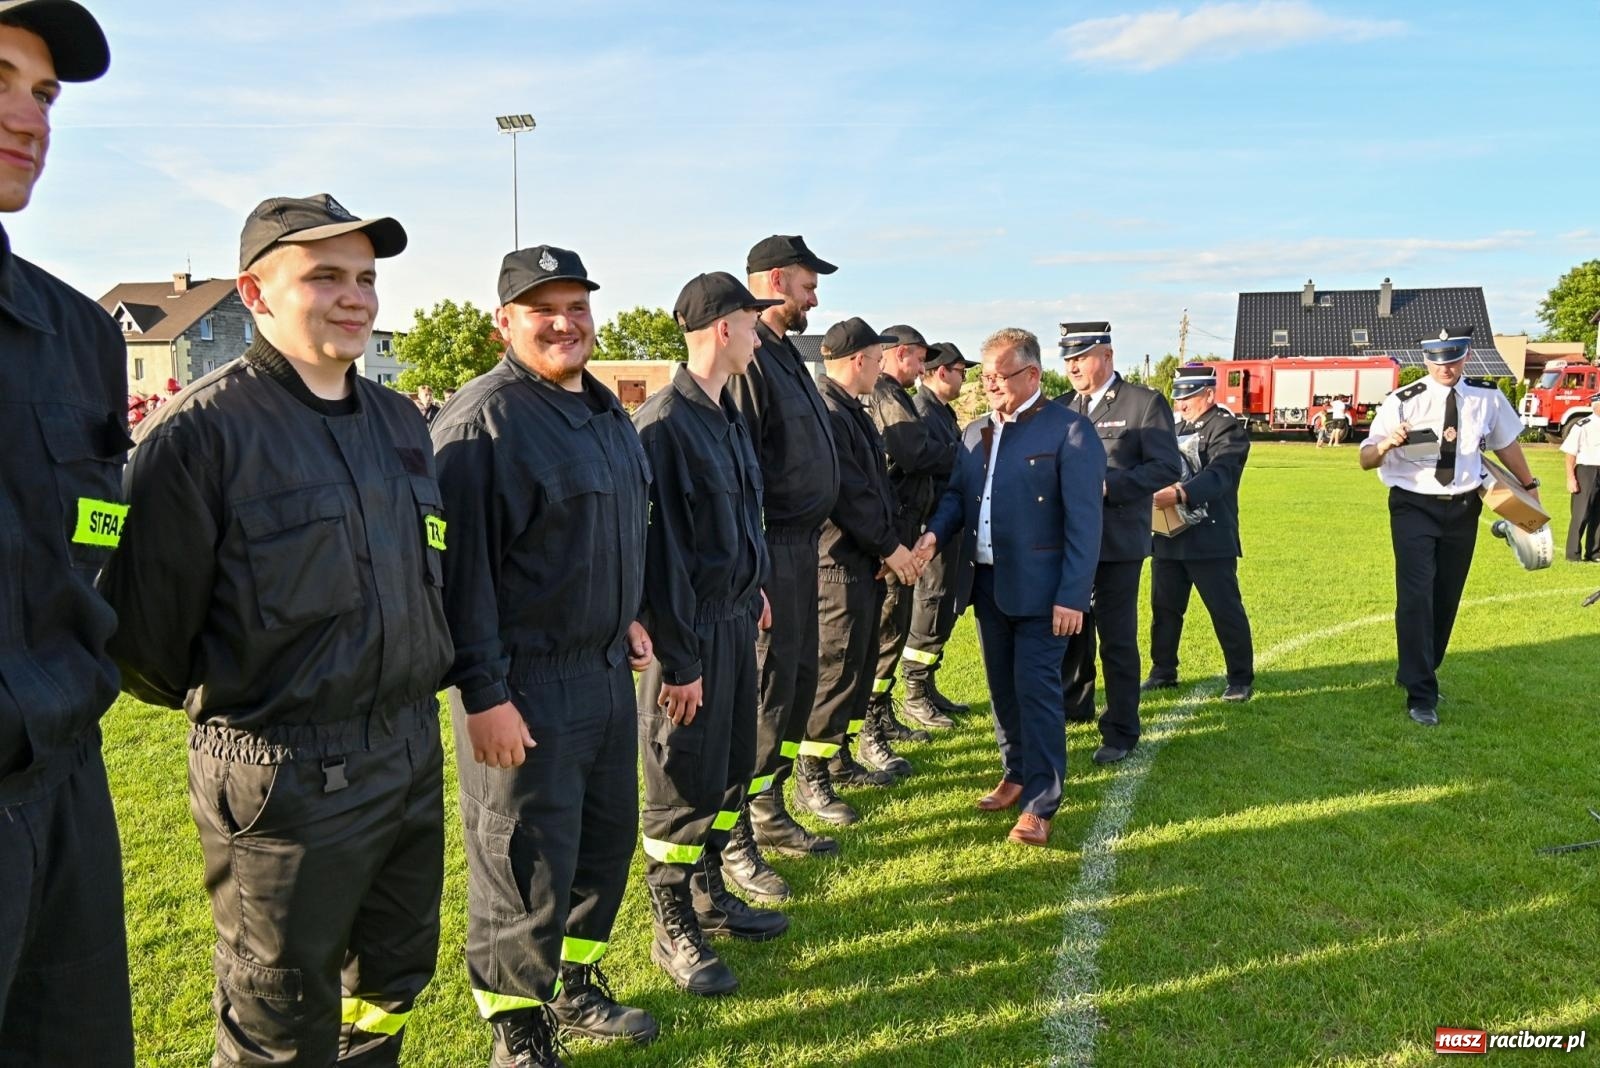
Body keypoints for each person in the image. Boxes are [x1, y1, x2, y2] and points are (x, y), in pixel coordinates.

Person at [102, 194, 453, 1066]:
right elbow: (144, 646)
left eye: (366, 278)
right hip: (283, 777)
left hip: (406, 752)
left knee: (392, 983)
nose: (355, 297)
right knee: (279, 1023)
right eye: (325, 276)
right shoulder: (203, 436)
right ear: (254, 295)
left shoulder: (402, 423)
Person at [432, 246, 656, 1066]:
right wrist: (483, 692)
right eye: (542, 309)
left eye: (577, 306)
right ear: (504, 322)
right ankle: (517, 1031)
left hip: (601, 672)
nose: (565, 323)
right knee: (522, 862)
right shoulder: (480, 422)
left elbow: (613, 530)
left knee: (601, 845)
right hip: (523, 685)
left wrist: (629, 614)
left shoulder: (603, 409)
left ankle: (577, 985)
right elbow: (459, 578)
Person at [0, 6, 132, 1064]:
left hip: (65, 790)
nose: (29, 115)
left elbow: (98, 533)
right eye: (0, 78)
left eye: (44, 94)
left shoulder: (80, 333)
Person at [632, 272, 787, 997]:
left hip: (730, 620)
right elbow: (659, 556)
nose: (758, 336)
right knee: (680, 778)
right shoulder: (665, 422)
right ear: (723, 329)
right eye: (752, 324)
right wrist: (680, 658)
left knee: (728, 765)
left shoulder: (724, 416)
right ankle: (672, 926)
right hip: (687, 637)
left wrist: (752, 587)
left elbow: (736, 522)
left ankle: (707, 895)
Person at [915, 328, 1104, 847]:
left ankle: (1042, 802)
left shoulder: (1070, 432)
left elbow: (1085, 525)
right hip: (988, 584)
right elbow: (957, 495)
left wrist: (1072, 595)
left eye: (1001, 375)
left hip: (1046, 593)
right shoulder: (975, 431)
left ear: (1033, 375)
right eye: (987, 375)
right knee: (1002, 690)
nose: (991, 384)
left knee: (1038, 692)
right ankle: (1015, 772)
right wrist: (934, 533)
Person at [722, 234, 842, 899]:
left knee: (794, 688)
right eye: (806, 283)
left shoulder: (787, 356)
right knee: (764, 695)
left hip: (804, 550)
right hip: (771, 552)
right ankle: (735, 834)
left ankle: (769, 812)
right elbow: (742, 474)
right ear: (773, 280)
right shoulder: (750, 360)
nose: (814, 295)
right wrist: (755, 569)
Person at [1359, 328, 1539, 726]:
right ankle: (1422, 694)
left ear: (1466, 356)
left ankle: (1418, 669)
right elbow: (1366, 458)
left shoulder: (1486, 397)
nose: (1446, 368)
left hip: (1463, 508)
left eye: (1454, 360)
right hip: (1413, 507)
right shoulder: (1403, 401)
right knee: (1416, 596)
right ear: (1426, 361)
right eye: (1438, 362)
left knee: (1445, 597)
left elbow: (1505, 443)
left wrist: (1528, 487)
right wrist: (1388, 444)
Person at [797, 318, 923, 826]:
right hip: (837, 564)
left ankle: (838, 757)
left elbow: (875, 489)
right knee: (835, 669)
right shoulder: (828, 411)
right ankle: (812, 777)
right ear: (856, 361)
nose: (881, 369)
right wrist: (890, 549)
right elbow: (850, 494)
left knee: (855, 666)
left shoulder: (851, 409)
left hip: (860, 560)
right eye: (876, 359)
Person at [1055, 322, 1181, 765]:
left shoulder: (1143, 403)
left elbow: (1167, 466)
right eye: (1067, 358)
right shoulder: (1062, 406)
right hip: (1068, 542)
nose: (1071, 366)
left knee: (1117, 638)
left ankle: (1121, 729)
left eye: (1080, 356)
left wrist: (1110, 487)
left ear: (1106, 355)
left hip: (1117, 541)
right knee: (1069, 628)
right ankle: (1074, 705)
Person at [862, 323, 958, 772]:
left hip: (901, 528)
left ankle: (879, 718)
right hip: (889, 534)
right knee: (883, 635)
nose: (924, 368)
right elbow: (914, 452)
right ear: (900, 354)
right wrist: (965, 457)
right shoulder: (885, 394)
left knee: (892, 633)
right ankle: (868, 730)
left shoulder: (891, 394)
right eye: (921, 358)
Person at [1144, 365, 1256, 704]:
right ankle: (1163, 671)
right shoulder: (1173, 428)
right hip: (1168, 533)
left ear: (1209, 394)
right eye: (1178, 397)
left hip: (1209, 538)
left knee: (1224, 610)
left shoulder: (1227, 429)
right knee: (1164, 609)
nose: (1182, 404)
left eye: (1189, 397)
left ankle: (1240, 677)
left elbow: (1220, 474)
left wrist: (1179, 494)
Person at [899, 341, 972, 726]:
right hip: (934, 525)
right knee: (931, 603)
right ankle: (914, 692)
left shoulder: (941, 411)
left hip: (949, 524)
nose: (966, 378)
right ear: (941, 371)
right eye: (961, 370)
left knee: (943, 604)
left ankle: (927, 684)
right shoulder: (923, 411)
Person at [1561, 394, 1600, 562]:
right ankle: (1573, 553)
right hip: (1587, 471)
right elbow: (1570, 454)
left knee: (1599, 516)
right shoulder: (1582, 425)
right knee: (1581, 514)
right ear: (1596, 406)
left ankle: (1595, 552)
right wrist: (1571, 478)